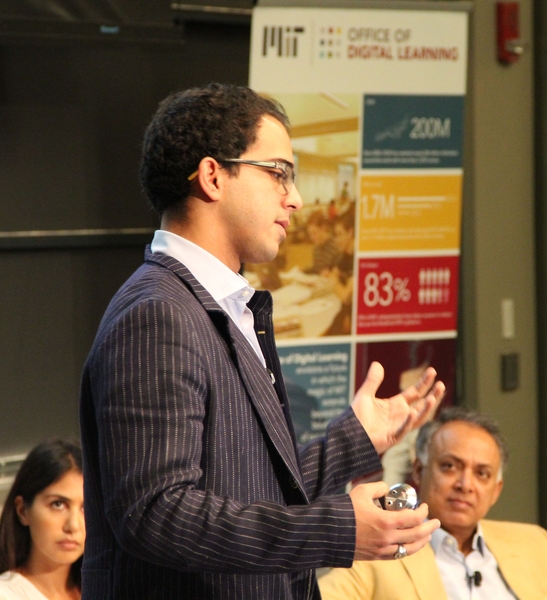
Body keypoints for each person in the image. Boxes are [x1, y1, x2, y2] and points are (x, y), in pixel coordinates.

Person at [78, 83, 445, 600]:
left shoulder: (218, 304)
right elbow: (156, 512)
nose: (295, 198)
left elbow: (254, 491)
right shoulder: (158, 314)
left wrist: (353, 440)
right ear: (213, 177)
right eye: (278, 173)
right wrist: (336, 529)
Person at [319, 407, 547, 600]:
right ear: (419, 471)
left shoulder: (532, 544)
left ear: (496, 490)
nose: (465, 485)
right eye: (450, 466)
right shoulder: (376, 556)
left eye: (482, 474)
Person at [0, 439, 85, 600]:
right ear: (22, 511)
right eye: (58, 504)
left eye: (86, 508)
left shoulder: (105, 590)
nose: (73, 525)